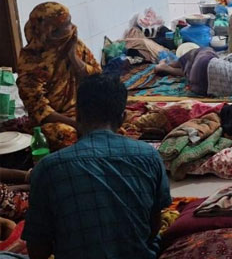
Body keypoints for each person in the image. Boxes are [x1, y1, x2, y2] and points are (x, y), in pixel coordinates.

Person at [22, 74, 172, 259]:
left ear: (78, 115)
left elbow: (38, 251)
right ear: (123, 118)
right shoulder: (149, 156)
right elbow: (153, 227)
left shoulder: (47, 168)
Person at [17, 2, 101, 151]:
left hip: (82, 109)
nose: (73, 27)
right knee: (65, 134)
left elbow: (97, 78)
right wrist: (77, 125)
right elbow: (39, 109)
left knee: (112, 121)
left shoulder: (74, 45)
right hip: (54, 120)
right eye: (67, 24)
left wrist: (73, 58)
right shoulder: (31, 60)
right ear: (51, 31)